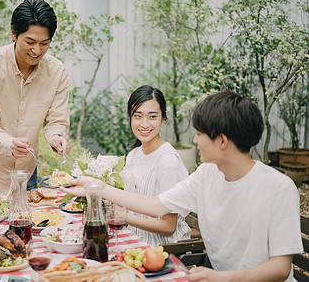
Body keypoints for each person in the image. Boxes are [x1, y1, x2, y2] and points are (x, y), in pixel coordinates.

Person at [63, 91, 303, 282]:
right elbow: (158, 206)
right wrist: (96, 187)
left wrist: (222, 278)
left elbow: (280, 269)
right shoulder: (206, 174)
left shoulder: (278, 188)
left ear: (222, 140)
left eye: (199, 133)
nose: (195, 140)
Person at [0, 0, 70, 197]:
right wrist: (8, 143)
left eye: (44, 43)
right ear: (13, 33)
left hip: (25, 170)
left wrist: (57, 137)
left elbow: (56, 121)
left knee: (25, 226)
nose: (37, 50)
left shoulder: (57, 72)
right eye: (30, 42)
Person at [124, 85, 190, 246]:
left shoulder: (168, 162)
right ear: (130, 118)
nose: (144, 124)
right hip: (134, 242)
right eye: (138, 116)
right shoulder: (133, 156)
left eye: (152, 117)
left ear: (163, 119)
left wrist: (123, 217)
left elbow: (169, 226)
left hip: (164, 250)